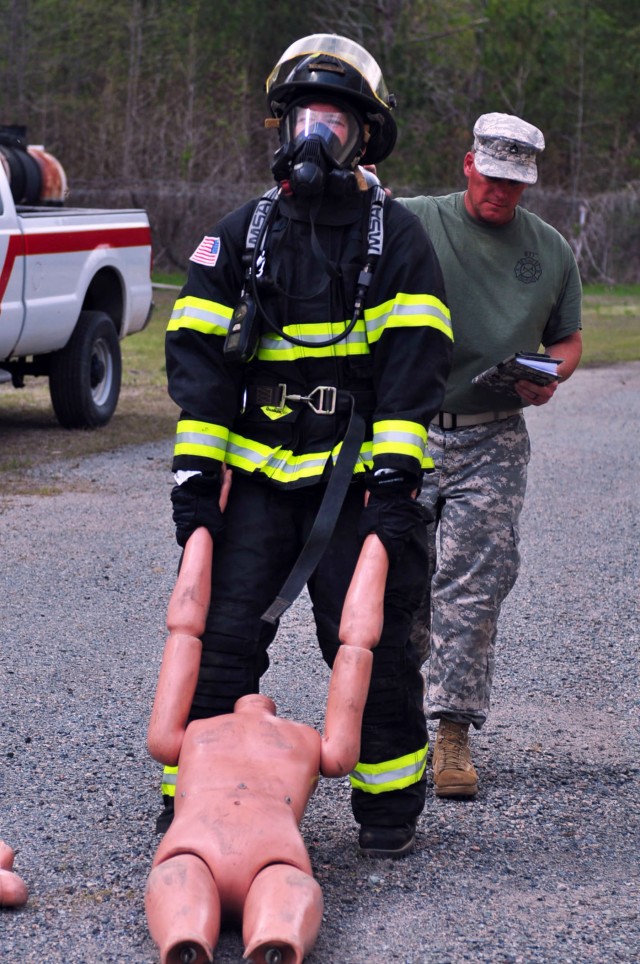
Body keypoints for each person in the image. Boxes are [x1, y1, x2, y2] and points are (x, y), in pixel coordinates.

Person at [160, 33, 453, 859]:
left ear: (365, 137)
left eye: (337, 121)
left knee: (369, 642)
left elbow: (412, 373)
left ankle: (388, 807)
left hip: (354, 484)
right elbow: (200, 373)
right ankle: (197, 798)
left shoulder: (396, 240)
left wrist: (394, 492)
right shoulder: (237, 236)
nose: (318, 135)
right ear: (281, 127)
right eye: (305, 118)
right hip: (253, 481)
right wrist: (195, 485)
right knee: (220, 640)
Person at [397, 112, 583, 799]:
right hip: (409, 429)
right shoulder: (414, 220)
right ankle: (393, 717)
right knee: (398, 580)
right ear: (468, 164)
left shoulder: (550, 251)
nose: (500, 193)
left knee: (474, 585)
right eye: (492, 177)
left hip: (493, 434)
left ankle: (451, 731)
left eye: (515, 183)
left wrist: (550, 375)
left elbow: (568, 339)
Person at [145, 526, 384, 964]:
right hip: (272, 850)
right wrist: (377, 544)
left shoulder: (197, 734)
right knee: (282, 884)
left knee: (183, 875)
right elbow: (356, 646)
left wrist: (200, 533)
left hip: (197, 842)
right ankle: (266, 938)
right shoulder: (305, 741)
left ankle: (191, 938)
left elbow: (183, 632)